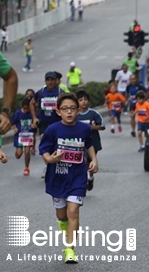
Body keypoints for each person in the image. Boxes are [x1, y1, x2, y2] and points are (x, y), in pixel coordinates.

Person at [39, 93, 98, 263]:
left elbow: (89, 145)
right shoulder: (53, 129)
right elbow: (44, 150)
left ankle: (70, 249)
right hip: (57, 177)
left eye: (73, 108)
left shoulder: (84, 129)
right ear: (58, 111)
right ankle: (65, 226)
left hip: (77, 176)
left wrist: (94, 159)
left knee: (73, 211)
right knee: (62, 215)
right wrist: (50, 159)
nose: (69, 112)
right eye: (65, 109)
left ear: (78, 110)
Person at [30, 72, 64, 178]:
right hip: (44, 123)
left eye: (52, 80)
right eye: (48, 80)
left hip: (57, 123)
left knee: (56, 146)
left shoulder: (60, 92)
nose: (50, 82)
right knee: (45, 144)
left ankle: (56, 166)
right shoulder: (40, 92)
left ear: (56, 81)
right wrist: (34, 117)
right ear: (45, 81)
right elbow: (31, 103)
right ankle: (48, 166)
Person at [76, 90, 105, 191]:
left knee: (90, 162)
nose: (83, 102)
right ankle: (83, 181)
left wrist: (91, 127)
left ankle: (90, 177)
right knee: (83, 161)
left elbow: (102, 126)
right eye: (80, 100)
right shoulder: (75, 114)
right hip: (79, 143)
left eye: (85, 100)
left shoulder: (93, 113)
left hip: (93, 142)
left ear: (88, 101)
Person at [11, 97, 34, 176]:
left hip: (28, 135)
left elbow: (36, 121)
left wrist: (34, 125)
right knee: (18, 155)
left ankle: (26, 167)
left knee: (27, 152)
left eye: (28, 109)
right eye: (25, 108)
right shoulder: (18, 113)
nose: (26, 110)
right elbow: (13, 122)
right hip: (19, 136)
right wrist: (15, 128)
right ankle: (19, 151)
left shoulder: (32, 113)